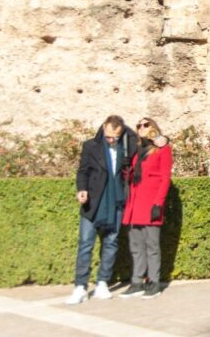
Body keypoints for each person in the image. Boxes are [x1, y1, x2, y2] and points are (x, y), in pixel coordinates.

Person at [66, 115, 166, 305]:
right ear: (104, 128)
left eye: (115, 136)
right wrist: (82, 189)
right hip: (93, 203)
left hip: (117, 202)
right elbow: (83, 171)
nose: (111, 140)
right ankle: (80, 286)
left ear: (121, 132)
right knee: (85, 244)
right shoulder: (90, 146)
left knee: (111, 244)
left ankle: (102, 282)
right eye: (109, 136)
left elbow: (156, 141)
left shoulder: (127, 143)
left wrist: (163, 139)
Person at [119, 118, 173, 299]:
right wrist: (126, 168)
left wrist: (159, 202)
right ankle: (136, 282)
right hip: (134, 204)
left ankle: (154, 282)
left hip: (150, 203)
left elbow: (165, 178)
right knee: (136, 245)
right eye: (139, 125)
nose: (141, 127)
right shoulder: (137, 151)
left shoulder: (162, 149)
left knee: (152, 245)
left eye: (145, 124)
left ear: (153, 127)